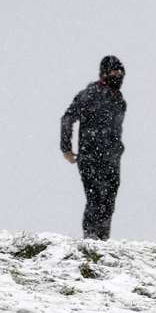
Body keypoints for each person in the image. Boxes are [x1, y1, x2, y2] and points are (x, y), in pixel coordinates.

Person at [60, 55, 127, 240]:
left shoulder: (120, 101)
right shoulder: (90, 94)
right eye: (115, 71)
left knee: (109, 201)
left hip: (112, 158)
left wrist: (116, 151)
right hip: (91, 156)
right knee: (95, 197)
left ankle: (103, 240)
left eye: (121, 71)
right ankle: (90, 239)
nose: (119, 74)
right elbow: (68, 118)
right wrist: (66, 148)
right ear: (105, 73)